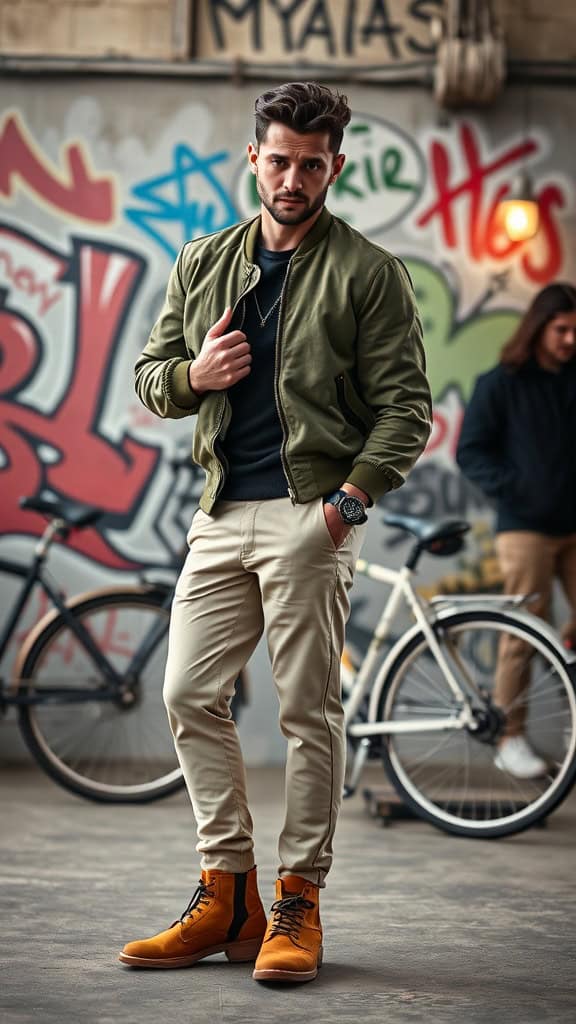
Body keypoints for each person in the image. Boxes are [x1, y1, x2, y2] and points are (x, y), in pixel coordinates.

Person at [119, 81, 431, 984]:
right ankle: (229, 892)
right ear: (252, 158)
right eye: (279, 159)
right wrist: (196, 376)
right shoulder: (203, 259)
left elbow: (405, 411)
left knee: (305, 711)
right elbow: (150, 372)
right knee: (186, 693)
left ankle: (300, 897)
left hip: (312, 511)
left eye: (312, 162)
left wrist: (345, 506)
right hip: (220, 510)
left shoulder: (368, 272)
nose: (293, 177)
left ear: (336, 164)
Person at [456, 282, 576, 779]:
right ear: (539, 326)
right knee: (523, 633)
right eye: (562, 329)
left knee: (553, 633)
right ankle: (509, 736)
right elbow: (471, 452)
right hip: (523, 526)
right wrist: (517, 488)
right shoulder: (500, 383)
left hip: (574, 524)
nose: (570, 340)